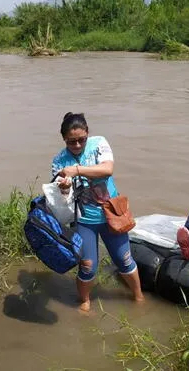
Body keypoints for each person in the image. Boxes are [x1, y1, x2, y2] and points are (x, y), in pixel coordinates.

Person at [52, 112, 144, 313]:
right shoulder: (59, 161)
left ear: (87, 133)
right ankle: (84, 301)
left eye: (81, 140)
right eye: (71, 141)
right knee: (87, 266)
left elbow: (107, 169)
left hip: (112, 213)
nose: (77, 145)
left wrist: (76, 170)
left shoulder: (99, 143)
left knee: (124, 260)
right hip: (83, 220)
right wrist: (64, 187)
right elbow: (61, 197)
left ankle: (139, 297)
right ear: (64, 139)